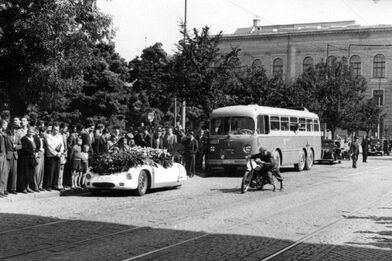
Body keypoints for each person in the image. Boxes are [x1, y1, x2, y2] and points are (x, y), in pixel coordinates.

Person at [19, 126, 37, 193]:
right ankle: (23, 188)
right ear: (27, 131)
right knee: (25, 173)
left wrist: (36, 151)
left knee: (30, 173)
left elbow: (36, 146)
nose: (31, 132)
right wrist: (32, 152)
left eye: (32, 131)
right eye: (29, 131)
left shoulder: (33, 138)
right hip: (25, 158)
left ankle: (28, 186)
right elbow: (24, 148)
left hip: (32, 158)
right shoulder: (24, 138)